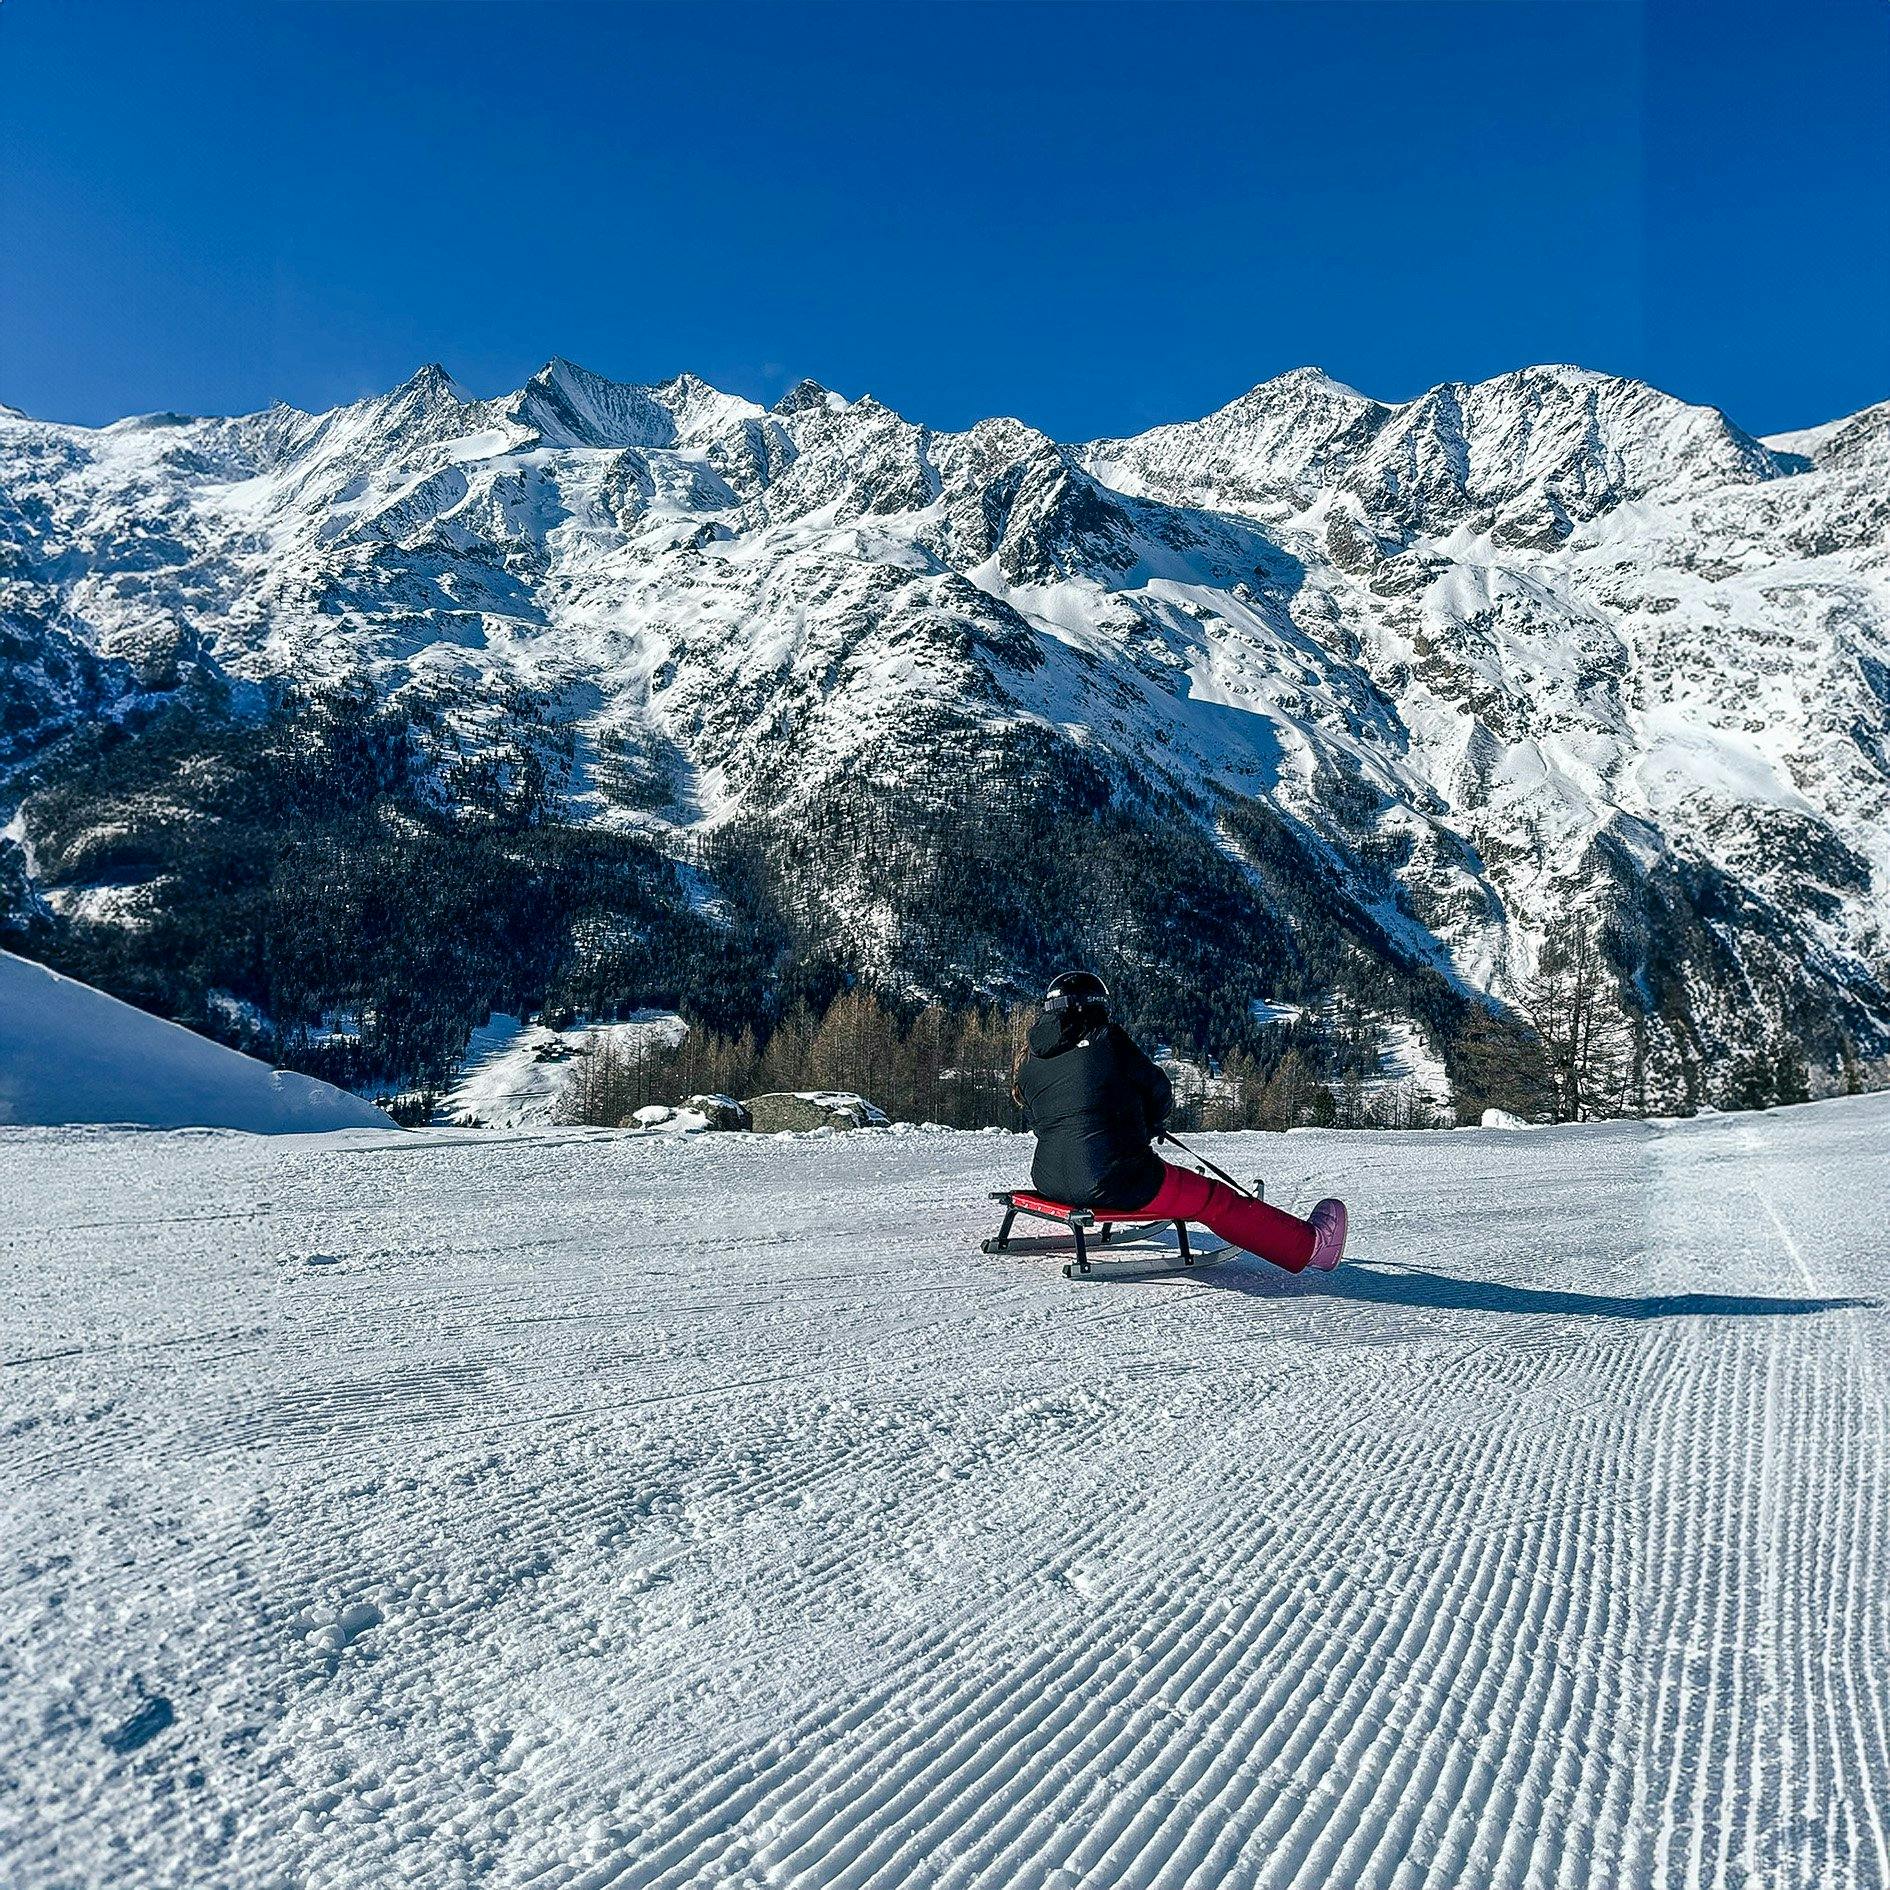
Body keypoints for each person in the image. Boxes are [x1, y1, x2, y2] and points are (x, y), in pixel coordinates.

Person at [1012, 970, 1348, 1273]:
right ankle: (1311, 1246)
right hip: (1119, 1181)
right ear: (1099, 1006)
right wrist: (1151, 1121)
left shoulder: (1030, 1066)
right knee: (1216, 1200)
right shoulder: (1107, 1041)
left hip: (1049, 1179)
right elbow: (1157, 1088)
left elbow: (1065, 1116)